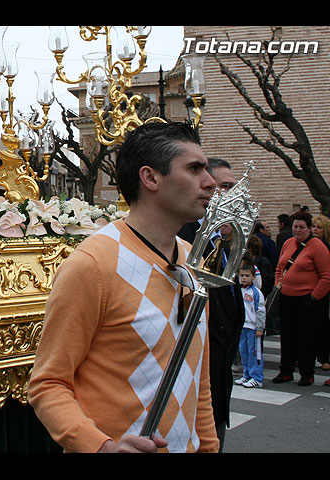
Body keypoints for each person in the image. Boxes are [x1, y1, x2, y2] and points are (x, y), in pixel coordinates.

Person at [28, 122, 219, 453]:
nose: (210, 181)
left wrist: (209, 447)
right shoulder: (93, 264)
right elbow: (48, 384)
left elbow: (197, 377)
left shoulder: (193, 260)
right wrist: (101, 447)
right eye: (194, 168)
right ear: (151, 178)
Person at [177, 157, 245, 452]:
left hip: (217, 381)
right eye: (226, 187)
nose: (235, 195)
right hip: (191, 386)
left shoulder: (226, 239)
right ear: (207, 190)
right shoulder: (183, 238)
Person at [272, 211, 330, 386]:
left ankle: (307, 374)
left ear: (309, 228)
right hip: (286, 298)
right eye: (295, 227)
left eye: (302, 227)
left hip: (307, 300)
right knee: (287, 337)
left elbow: (327, 275)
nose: (298, 230)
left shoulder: (317, 246)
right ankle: (286, 371)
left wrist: (314, 297)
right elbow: (279, 268)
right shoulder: (288, 243)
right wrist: (278, 285)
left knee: (306, 338)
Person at [235, 264, 266, 388]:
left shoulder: (256, 293)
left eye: (247, 276)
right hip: (243, 326)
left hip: (253, 328)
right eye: (242, 275)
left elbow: (261, 311)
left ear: (253, 277)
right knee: (244, 352)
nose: (244, 278)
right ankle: (247, 375)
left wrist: (260, 328)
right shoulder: (238, 290)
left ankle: (257, 378)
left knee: (254, 353)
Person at [311, 214, 330, 375]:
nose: (315, 230)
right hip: (310, 293)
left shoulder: (325, 247)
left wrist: (316, 294)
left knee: (323, 326)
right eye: (314, 227)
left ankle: (324, 357)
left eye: (319, 227)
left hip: (321, 294)